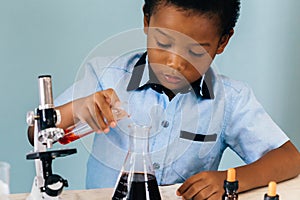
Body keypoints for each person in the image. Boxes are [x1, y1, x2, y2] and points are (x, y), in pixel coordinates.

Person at [28, 0, 300, 199]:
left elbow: (290, 159)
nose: (174, 63)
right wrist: (77, 108)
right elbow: (36, 133)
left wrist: (231, 180)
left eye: (195, 51)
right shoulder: (106, 76)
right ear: (147, 22)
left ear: (222, 42)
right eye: (164, 43)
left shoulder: (231, 100)